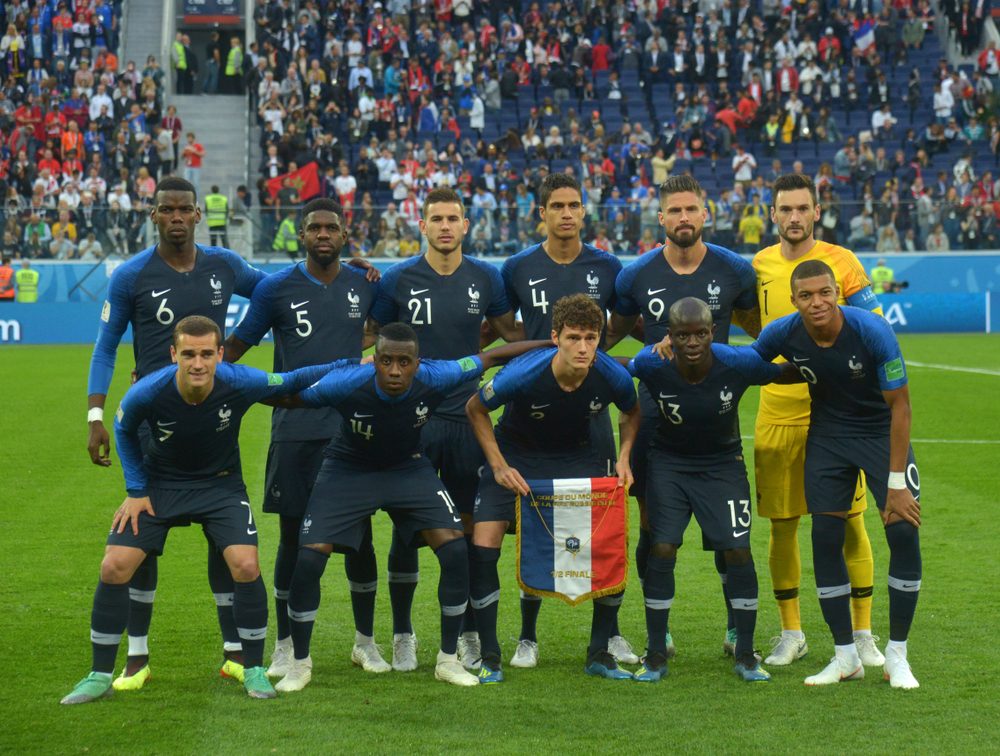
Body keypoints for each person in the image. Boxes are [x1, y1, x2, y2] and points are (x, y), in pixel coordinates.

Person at [61, 315, 347, 704]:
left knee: (246, 564)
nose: (198, 363)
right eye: (189, 354)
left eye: (207, 354)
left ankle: (253, 668)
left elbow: (291, 380)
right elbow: (124, 430)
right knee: (114, 565)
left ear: (220, 355)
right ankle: (98, 674)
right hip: (160, 487)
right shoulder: (148, 390)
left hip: (220, 486)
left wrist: (347, 364)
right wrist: (137, 490)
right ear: (173, 354)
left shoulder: (240, 380)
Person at [271, 324, 546, 691]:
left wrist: (553, 344)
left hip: (407, 468)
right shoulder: (346, 382)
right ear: (374, 361)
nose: (395, 371)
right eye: (386, 361)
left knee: (454, 549)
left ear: (418, 363)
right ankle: (299, 665)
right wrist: (231, 387)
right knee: (309, 557)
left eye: (404, 362)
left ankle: (447, 661)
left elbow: (493, 356)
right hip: (348, 468)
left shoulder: (438, 375)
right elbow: (289, 397)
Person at [86, 176, 267, 691]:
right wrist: (96, 416)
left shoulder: (224, 265)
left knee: (224, 538)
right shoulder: (132, 275)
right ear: (154, 215)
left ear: (197, 214)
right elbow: (105, 346)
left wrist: (237, 347)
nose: (177, 218)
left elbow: (273, 291)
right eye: (167, 210)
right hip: (152, 422)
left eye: (185, 209)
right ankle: (136, 658)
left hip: (213, 416)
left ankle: (236, 654)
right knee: (142, 540)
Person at [222, 198, 379, 681]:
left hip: (351, 430)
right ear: (302, 235)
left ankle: (366, 643)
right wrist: (203, 378)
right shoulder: (275, 289)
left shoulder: (364, 284)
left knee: (360, 538)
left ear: (345, 234)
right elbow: (235, 347)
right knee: (292, 538)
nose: (323, 234)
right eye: (315, 228)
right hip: (294, 431)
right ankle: (285, 646)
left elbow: (380, 332)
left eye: (332, 227)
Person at [605, 174, 760, 659]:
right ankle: (661, 633)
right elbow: (612, 334)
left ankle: (735, 628)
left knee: (728, 536)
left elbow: (758, 329)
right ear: (661, 217)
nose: (684, 218)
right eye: (675, 210)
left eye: (691, 209)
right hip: (656, 420)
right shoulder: (635, 276)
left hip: (717, 419)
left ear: (705, 214)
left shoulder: (735, 270)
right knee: (654, 529)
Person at [370, 187, 524, 672]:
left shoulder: (486, 277)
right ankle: (402, 634)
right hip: (412, 423)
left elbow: (511, 333)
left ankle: (470, 634)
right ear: (422, 225)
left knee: (471, 531)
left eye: (452, 218)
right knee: (406, 530)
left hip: (468, 420)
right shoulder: (397, 279)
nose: (444, 226)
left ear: (465, 225)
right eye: (435, 219)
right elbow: (371, 339)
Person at [753, 260, 922, 689]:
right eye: (806, 295)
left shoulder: (872, 330)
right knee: (825, 538)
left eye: (825, 292)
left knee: (903, 531)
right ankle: (845, 656)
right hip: (828, 436)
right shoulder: (782, 332)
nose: (817, 302)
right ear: (793, 300)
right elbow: (745, 365)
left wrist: (897, 485)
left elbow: (901, 406)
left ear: (837, 293)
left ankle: (897, 656)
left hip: (879, 432)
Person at [498, 173, 636, 668]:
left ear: (583, 211)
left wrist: (591, 356)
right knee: (534, 526)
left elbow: (622, 321)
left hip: (589, 417)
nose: (566, 213)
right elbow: (502, 324)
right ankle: (527, 637)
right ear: (542, 213)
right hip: (530, 414)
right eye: (556, 206)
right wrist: (539, 356)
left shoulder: (608, 266)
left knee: (602, 524)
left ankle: (610, 635)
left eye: (574, 205)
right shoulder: (517, 267)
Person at [467, 294, 640, 683]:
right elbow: (475, 408)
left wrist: (625, 456)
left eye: (591, 338)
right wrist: (498, 466)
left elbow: (632, 411)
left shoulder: (610, 374)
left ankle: (599, 653)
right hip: (517, 455)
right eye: (574, 337)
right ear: (556, 337)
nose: (583, 348)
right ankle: (490, 656)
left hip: (575, 458)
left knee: (610, 543)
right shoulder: (524, 373)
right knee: (483, 545)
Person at [752, 174, 884, 667]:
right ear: (772, 214)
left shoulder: (843, 261)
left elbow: (874, 326)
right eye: (785, 209)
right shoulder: (758, 267)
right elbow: (759, 333)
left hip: (837, 415)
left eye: (802, 208)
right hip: (777, 414)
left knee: (850, 522)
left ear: (816, 211)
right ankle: (792, 633)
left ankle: (863, 633)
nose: (794, 217)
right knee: (783, 526)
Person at [627, 297, 794, 683]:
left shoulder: (737, 362)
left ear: (713, 332)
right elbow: (619, 373)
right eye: (682, 335)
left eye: (700, 334)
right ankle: (655, 654)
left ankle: (746, 654)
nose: (692, 342)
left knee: (737, 549)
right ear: (669, 336)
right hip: (669, 465)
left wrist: (834, 369)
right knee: (662, 546)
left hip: (723, 466)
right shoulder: (652, 363)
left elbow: (783, 372)